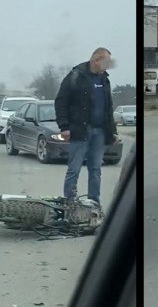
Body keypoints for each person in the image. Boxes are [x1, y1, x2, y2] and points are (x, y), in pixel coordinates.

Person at [55, 47, 120, 205]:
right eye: (105, 62)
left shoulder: (104, 79)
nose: (108, 66)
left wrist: (112, 131)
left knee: (96, 170)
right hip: (80, 131)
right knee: (74, 169)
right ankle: (70, 203)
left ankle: (94, 204)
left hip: (100, 132)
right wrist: (64, 127)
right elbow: (61, 101)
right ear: (95, 60)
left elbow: (108, 107)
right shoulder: (76, 76)